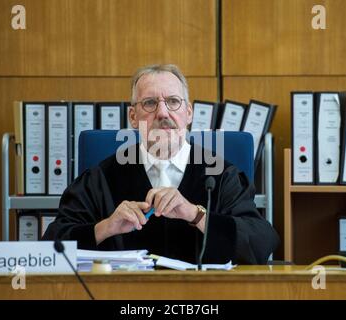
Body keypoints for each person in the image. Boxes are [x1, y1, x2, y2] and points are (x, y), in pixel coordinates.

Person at [43, 64, 279, 264]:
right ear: (133, 117)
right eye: (149, 103)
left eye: (173, 102)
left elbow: (260, 242)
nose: (163, 113)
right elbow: (51, 247)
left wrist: (195, 215)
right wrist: (106, 227)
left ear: (189, 113)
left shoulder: (221, 175)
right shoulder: (102, 178)